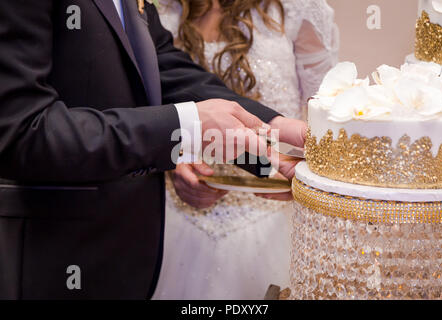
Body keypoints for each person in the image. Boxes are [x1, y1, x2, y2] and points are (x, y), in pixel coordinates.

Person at [0, 0, 304, 299]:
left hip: (133, 257)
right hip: (55, 256)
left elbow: (165, 68)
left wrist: (274, 130)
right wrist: (184, 127)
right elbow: (23, 131)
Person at [153, 0, 338, 299]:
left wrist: (289, 163)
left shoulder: (297, 9)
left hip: (272, 217)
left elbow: (323, 113)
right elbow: (144, 114)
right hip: (178, 221)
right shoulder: (155, 11)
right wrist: (172, 163)